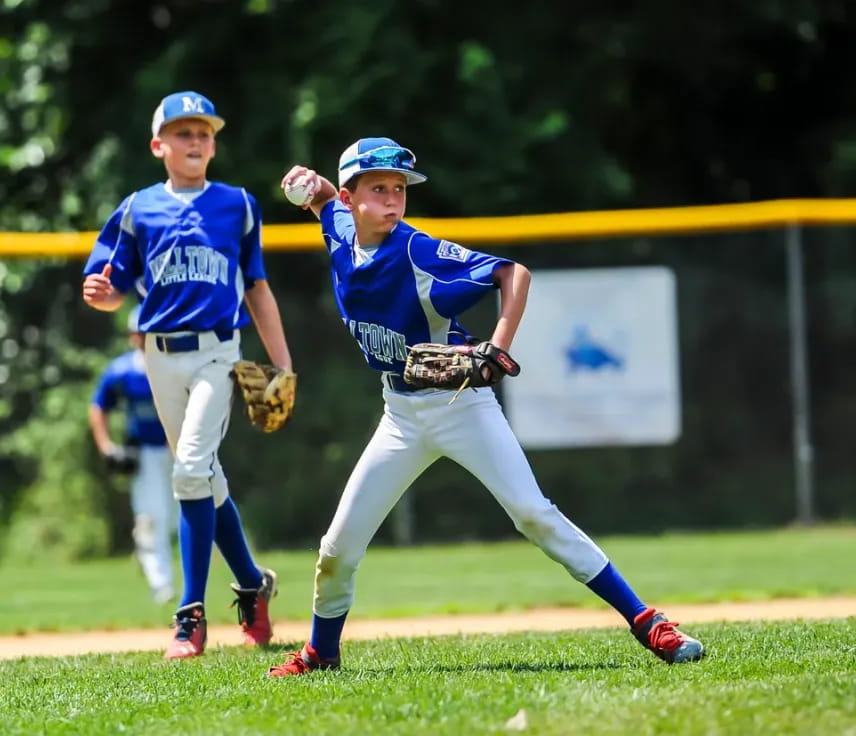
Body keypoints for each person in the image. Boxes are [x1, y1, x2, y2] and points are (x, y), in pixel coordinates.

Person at [268, 137, 706, 676]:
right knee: (336, 549)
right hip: (400, 417)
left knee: (533, 514)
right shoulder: (339, 227)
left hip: (462, 406)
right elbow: (330, 206)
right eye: (378, 188)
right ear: (354, 197)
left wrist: (498, 346)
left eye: (400, 189)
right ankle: (321, 652)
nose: (392, 199)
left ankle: (648, 623)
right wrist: (316, 189)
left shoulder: (416, 250)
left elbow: (512, 273)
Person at [81, 90, 292, 659]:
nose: (195, 140)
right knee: (204, 479)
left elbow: (257, 288)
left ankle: (189, 616)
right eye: (182, 133)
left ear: (214, 144)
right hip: (158, 356)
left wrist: (283, 361)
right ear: (159, 146)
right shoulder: (138, 208)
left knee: (190, 470)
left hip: (218, 353)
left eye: (203, 133)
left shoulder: (238, 205)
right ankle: (252, 584)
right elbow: (110, 284)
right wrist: (100, 296)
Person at [89, 304, 177, 604]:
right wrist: (106, 446)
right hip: (144, 453)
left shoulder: (173, 364)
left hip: (177, 449)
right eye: (138, 333)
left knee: (178, 518)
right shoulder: (123, 371)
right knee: (154, 518)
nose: (142, 337)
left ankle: (145, 551)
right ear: (131, 337)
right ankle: (161, 584)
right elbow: (98, 405)